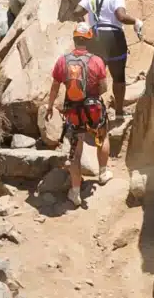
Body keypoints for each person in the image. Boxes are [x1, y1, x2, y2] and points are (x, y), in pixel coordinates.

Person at [45, 23, 112, 208]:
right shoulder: (97, 61)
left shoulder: (63, 61)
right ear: (88, 39)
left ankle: (75, 192)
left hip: (73, 111)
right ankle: (103, 173)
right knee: (102, 135)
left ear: (74, 39)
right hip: (93, 108)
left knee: (76, 150)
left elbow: (55, 87)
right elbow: (104, 87)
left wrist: (50, 106)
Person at [75, 0, 143, 119]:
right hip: (113, 38)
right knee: (118, 76)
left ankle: (92, 112)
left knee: (94, 76)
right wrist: (136, 21)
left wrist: (84, 24)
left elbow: (77, 11)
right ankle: (119, 113)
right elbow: (121, 16)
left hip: (95, 38)